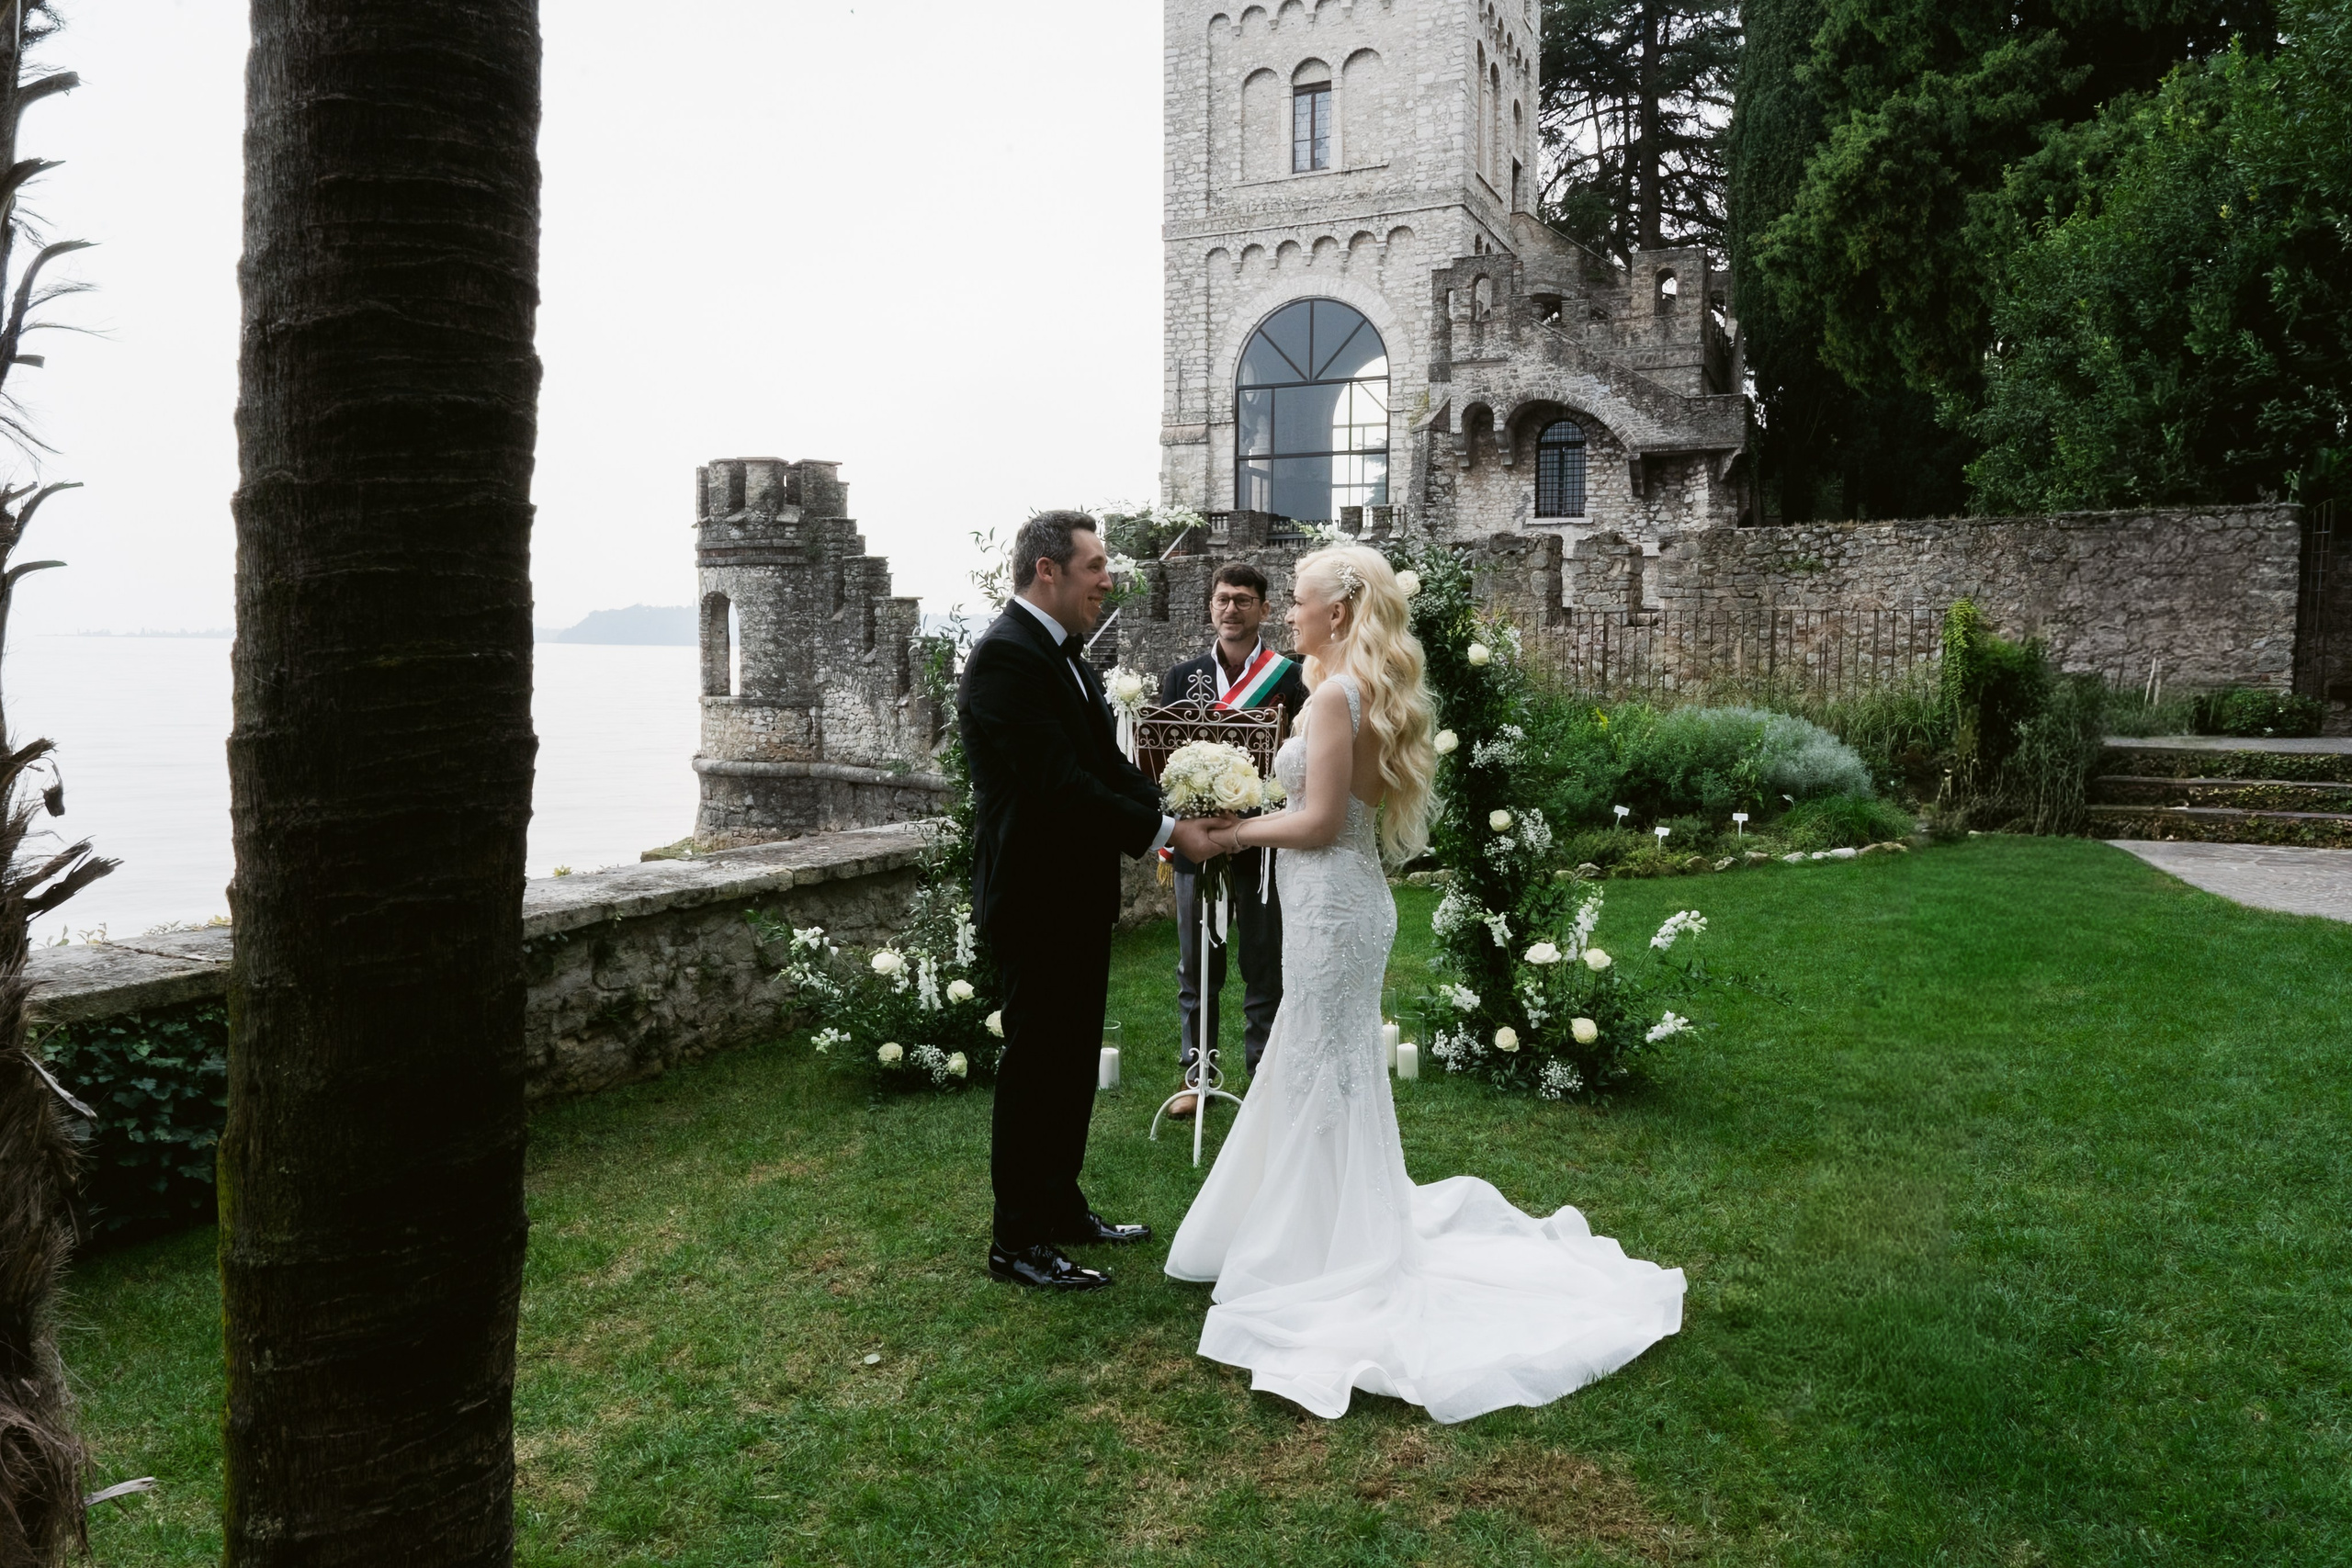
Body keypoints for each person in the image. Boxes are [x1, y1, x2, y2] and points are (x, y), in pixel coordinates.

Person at [1164, 545, 1686, 1422]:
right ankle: (1317, 1227)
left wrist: (1231, 835)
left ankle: (1323, 1250)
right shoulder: (1357, 690)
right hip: (1341, 902)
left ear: (1337, 612)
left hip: (1333, 903)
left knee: (1322, 1065)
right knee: (1316, 1062)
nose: (1288, 614)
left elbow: (1325, 821)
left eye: (1297, 602)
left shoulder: (1333, 696)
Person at [958, 512, 1233, 1293]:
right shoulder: (1008, 657)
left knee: (1072, 1061)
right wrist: (1167, 832)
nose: (1108, 579)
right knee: (1036, 1065)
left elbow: (1106, 766)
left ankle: (1060, 1204)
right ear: (1048, 570)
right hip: (1032, 895)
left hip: (1074, 897)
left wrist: (1176, 809)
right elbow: (1057, 784)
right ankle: (1016, 1240)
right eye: (1096, 566)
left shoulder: (1066, 656)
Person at [1159, 563, 1311, 1115]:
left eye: (1244, 600)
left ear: (1265, 609)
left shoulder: (1293, 678)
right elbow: (1164, 762)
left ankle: (1263, 1080)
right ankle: (1197, 1080)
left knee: (1263, 961)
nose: (1232, 609)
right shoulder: (1182, 677)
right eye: (1223, 599)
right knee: (1196, 965)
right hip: (1197, 845)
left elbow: (1303, 764)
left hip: (1263, 842)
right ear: (1210, 607)